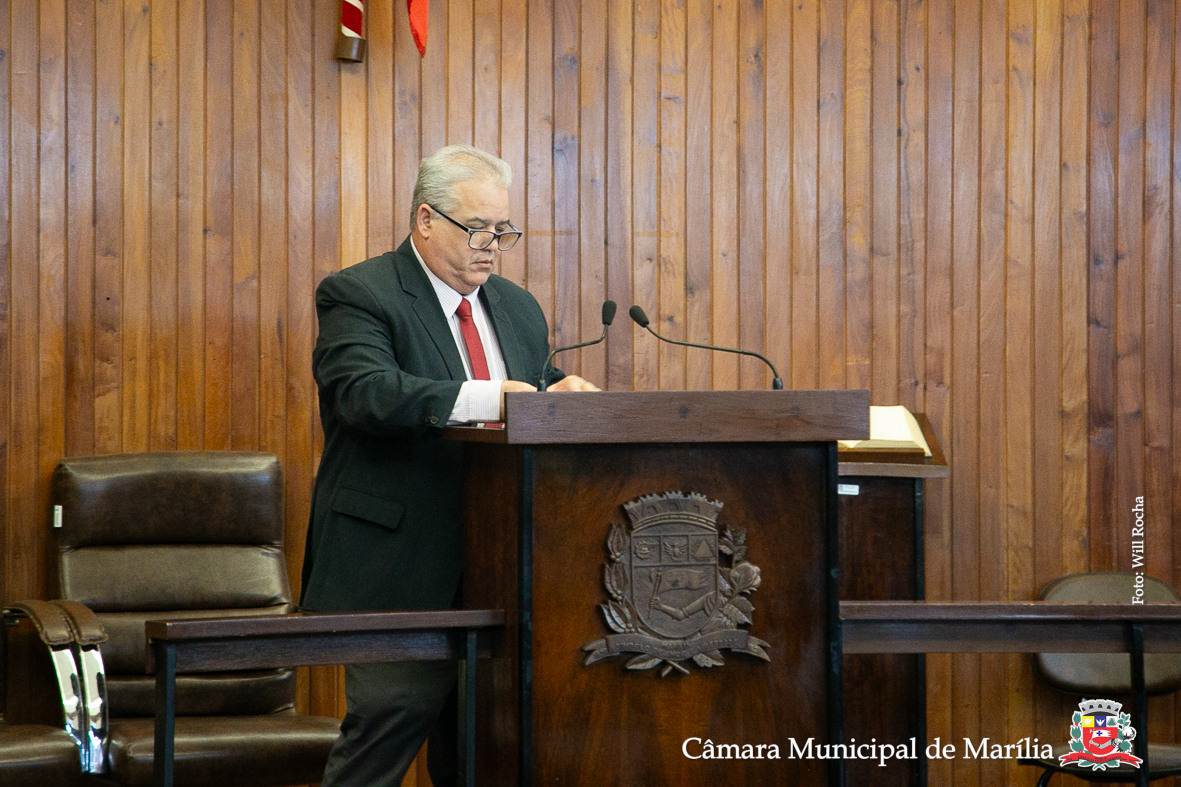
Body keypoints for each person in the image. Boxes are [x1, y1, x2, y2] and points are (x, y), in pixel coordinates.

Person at [300, 144, 598, 787]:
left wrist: (560, 393)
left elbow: (527, 387)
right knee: (382, 740)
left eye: (503, 230)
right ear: (426, 220)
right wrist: (491, 398)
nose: (491, 247)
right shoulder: (361, 293)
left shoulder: (517, 305)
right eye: (477, 229)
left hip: (504, 567)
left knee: (488, 750)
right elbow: (364, 393)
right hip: (401, 567)